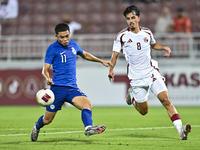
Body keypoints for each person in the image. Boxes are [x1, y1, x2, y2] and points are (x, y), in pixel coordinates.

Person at [108, 5, 191, 140]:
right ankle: (132, 98)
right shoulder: (121, 36)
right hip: (136, 77)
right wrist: (111, 69)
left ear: (138, 18)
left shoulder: (147, 32)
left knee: (166, 100)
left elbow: (153, 44)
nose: (131, 21)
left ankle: (181, 130)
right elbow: (115, 55)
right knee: (144, 111)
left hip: (151, 72)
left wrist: (164, 47)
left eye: (133, 18)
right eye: (128, 19)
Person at [31, 23, 111, 142]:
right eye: (61, 37)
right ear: (56, 36)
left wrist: (100, 61)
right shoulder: (52, 48)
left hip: (72, 88)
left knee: (87, 105)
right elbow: (45, 69)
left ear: (69, 34)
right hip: (57, 89)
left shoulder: (73, 44)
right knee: (47, 120)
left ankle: (88, 128)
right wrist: (47, 77)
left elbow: (85, 55)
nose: (65, 39)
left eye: (67, 36)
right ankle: (36, 127)